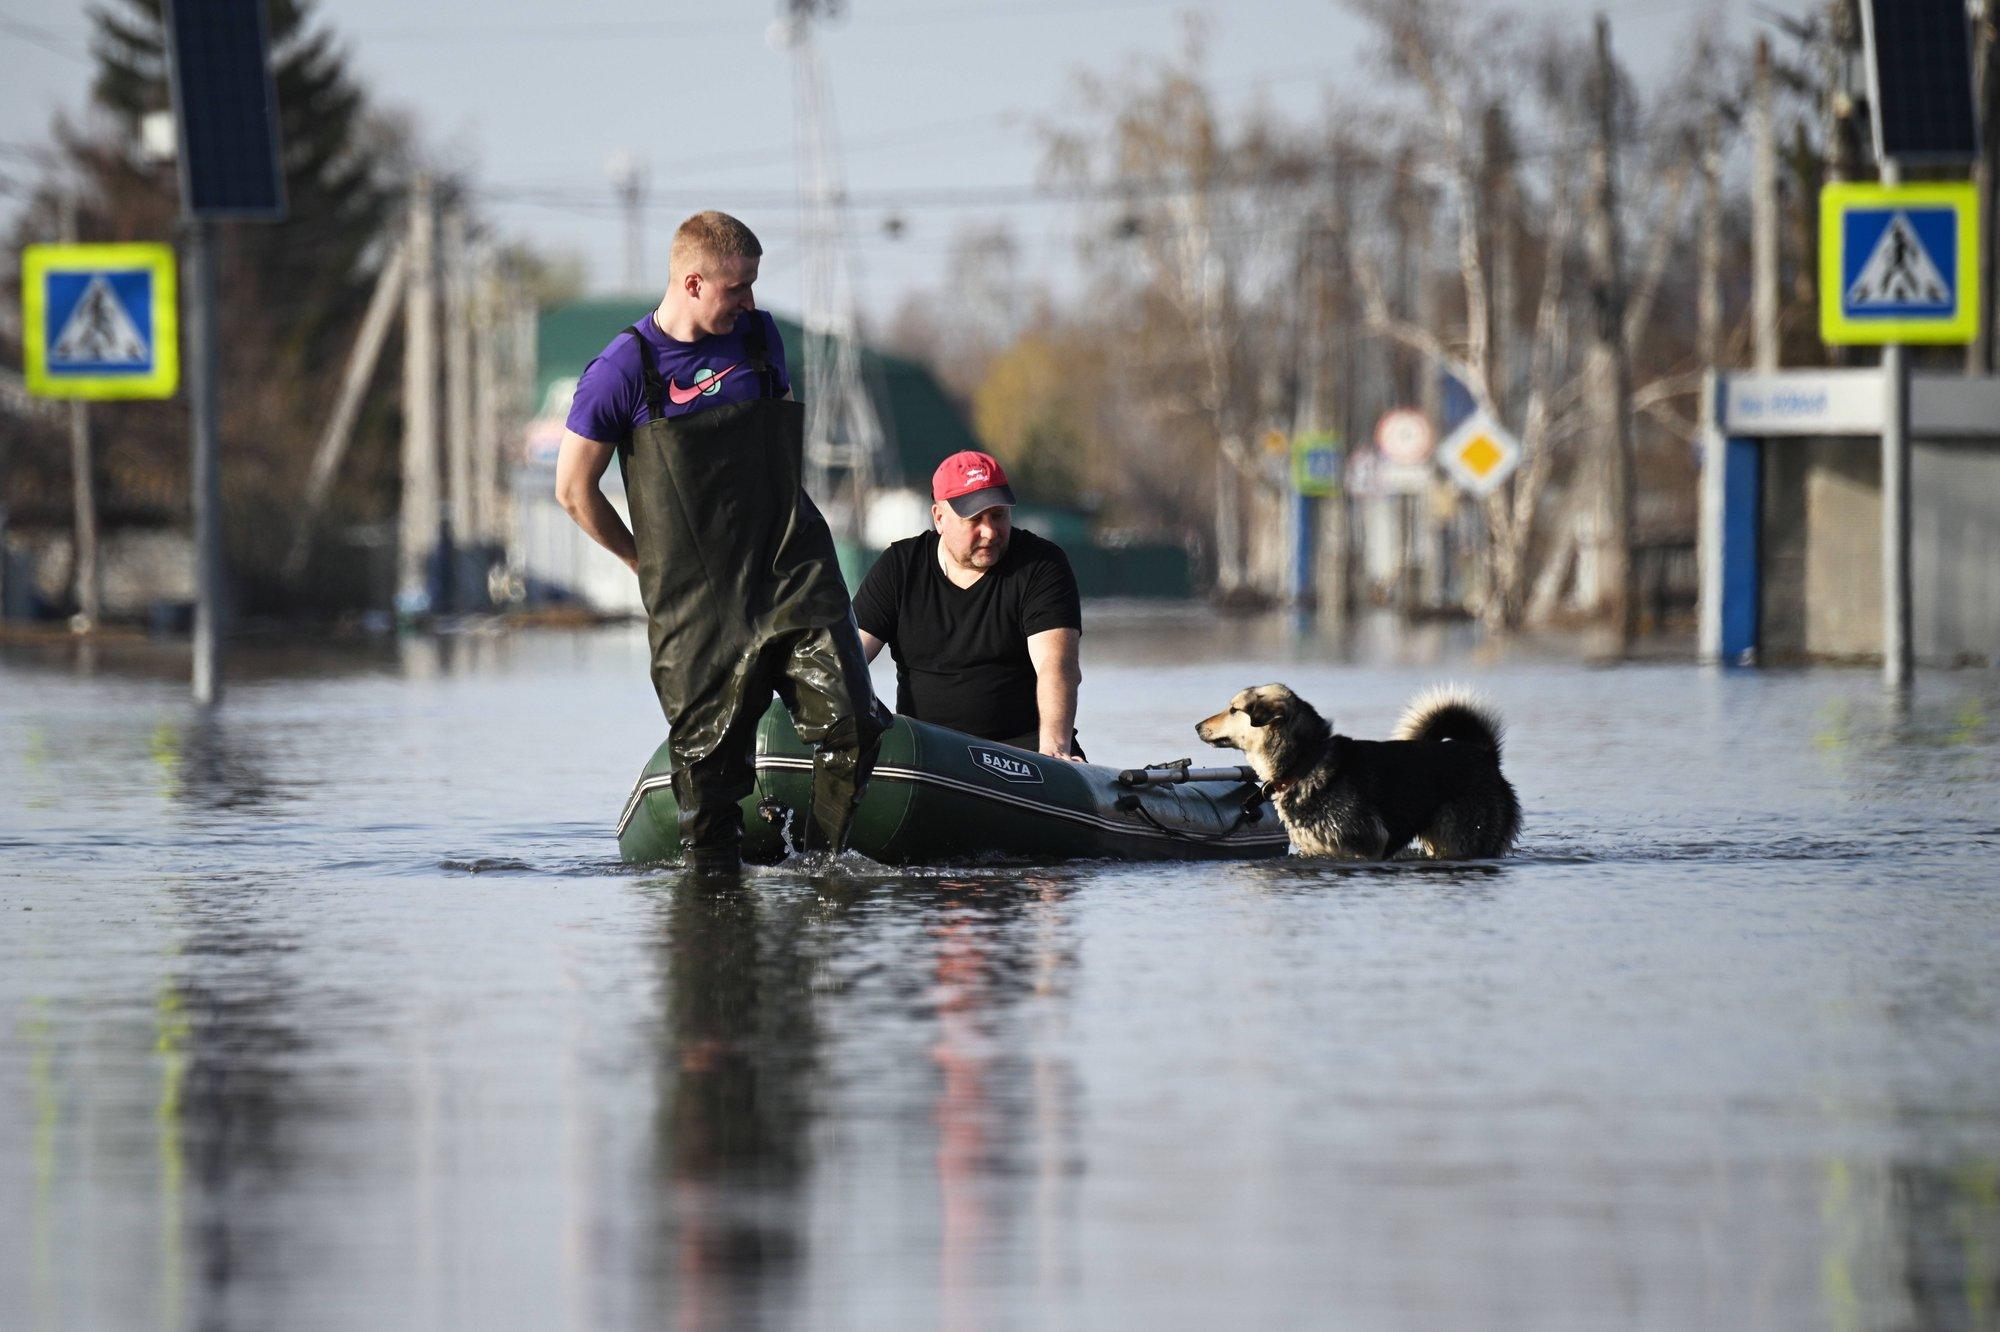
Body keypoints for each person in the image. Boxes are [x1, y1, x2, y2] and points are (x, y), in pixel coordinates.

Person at [554, 210, 886, 874]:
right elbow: (573, 490)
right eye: (738, 289)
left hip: (792, 572)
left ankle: (821, 870)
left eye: (753, 286)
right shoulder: (625, 368)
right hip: (696, 604)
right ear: (693, 282)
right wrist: (638, 561)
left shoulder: (762, 340)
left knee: (855, 725)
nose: (751, 302)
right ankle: (713, 913)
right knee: (709, 784)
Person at [853, 451, 1085, 759]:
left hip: (1023, 753)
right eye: (975, 519)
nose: (989, 532)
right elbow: (847, 660)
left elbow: (1056, 666)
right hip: (926, 753)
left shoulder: (1041, 565)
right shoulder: (899, 567)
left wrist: (1055, 750)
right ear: (939, 517)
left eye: (998, 515)